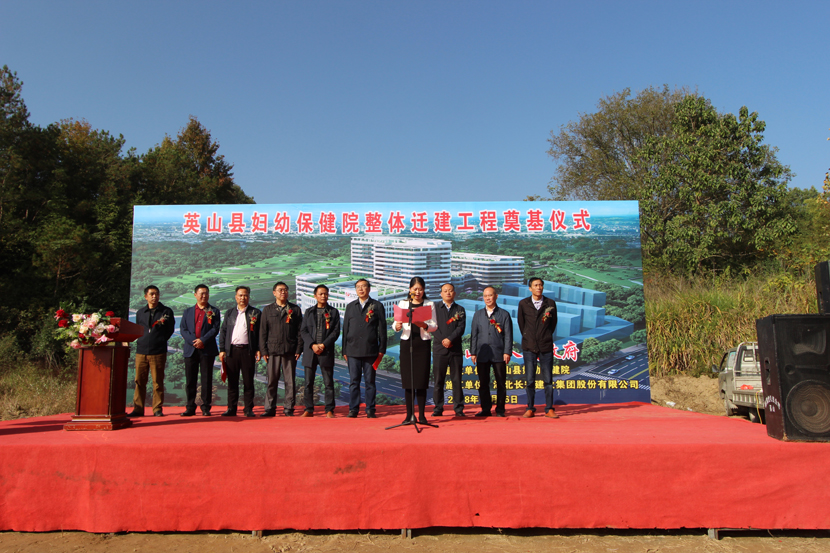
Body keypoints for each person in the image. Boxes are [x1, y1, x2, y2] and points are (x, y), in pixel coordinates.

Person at [393, 276, 438, 424]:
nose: (418, 292)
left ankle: (422, 416)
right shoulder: (403, 303)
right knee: (409, 381)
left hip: (422, 345)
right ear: (410, 289)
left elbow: (434, 326)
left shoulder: (429, 304)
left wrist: (424, 325)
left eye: (420, 289)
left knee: (421, 381)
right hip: (407, 344)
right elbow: (396, 323)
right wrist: (397, 326)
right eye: (415, 289)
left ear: (424, 290)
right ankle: (409, 415)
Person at [342, 279, 387, 418]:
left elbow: (382, 330)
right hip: (352, 350)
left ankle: (370, 409)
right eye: (358, 287)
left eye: (363, 286)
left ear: (369, 289)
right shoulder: (350, 306)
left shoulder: (377, 306)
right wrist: (344, 350)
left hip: (370, 350)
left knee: (370, 382)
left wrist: (382, 350)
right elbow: (345, 329)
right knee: (354, 382)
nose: (361, 289)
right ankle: (353, 409)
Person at [128, 285, 175, 417]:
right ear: (146, 296)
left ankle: (157, 409)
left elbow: (170, 329)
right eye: (152, 294)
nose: (154, 296)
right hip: (141, 351)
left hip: (158, 351)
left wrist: (160, 340)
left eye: (157, 294)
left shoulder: (166, 311)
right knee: (139, 381)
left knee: (157, 382)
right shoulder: (140, 312)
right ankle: (138, 409)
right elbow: (139, 329)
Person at [259, 282, 303, 417]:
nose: (283, 292)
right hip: (272, 351)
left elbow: (300, 331)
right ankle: (269, 408)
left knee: (290, 381)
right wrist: (263, 350)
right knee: (272, 381)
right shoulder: (268, 310)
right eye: (280, 290)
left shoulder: (295, 309)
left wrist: (299, 349)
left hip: (289, 350)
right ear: (274, 293)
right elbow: (263, 332)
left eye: (285, 290)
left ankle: (289, 408)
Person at [518, 277, 559, 419]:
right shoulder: (523, 304)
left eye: (540, 285)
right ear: (530, 288)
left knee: (548, 380)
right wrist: (529, 336)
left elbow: (553, 324)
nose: (538, 287)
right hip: (529, 346)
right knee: (530, 380)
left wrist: (544, 335)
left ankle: (549, 408)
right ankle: (530, 408)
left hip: (545, 346)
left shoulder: (550, 303)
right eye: (535, 285)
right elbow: (521, 324)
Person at [218, 286, 262, 417]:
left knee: (248, 381)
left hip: (248, 351)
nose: (243, 298)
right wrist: (222, 349)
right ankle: (231, 408)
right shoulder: (230, 313)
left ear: (249, 297)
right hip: (232, 351)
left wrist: (259, 349)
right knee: (232, 381)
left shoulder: (255, 313)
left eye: (245, 295)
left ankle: (248, 409)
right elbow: (223, 332)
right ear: (236, 297)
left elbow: (260, 333)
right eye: (240, 295)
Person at [470, 286, 513, 417]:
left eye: (490, 295)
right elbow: (474, 335)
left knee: (501, 382)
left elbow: (508, 335)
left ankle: (500, 409)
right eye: (485, 296)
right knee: (483, 383)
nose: (487, 298)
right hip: (482, 353)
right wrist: (473, 352)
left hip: (498, 353)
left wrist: (507, 352)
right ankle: (485, 409)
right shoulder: (478, 314)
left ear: (496, 296)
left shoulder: (504, 314)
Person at [180, 284, 221, 416]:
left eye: (206, 293)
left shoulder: (214, 311)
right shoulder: (187, 312)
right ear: (195, 295)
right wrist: (194, 341)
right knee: (190, 380)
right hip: (190, 349)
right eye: (201, 293)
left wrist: (202, 340)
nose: (204, 296)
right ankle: (190, 407)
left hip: (207, 349)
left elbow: (215, 329)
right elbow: (183, 329)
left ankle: (205, 407)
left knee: (206, 379)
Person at [300, 285, 341, 418]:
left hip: (326, 351)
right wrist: (312, 345)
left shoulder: (333, 312)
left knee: (328, 383)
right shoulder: (309, 312)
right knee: (308, 383)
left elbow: (335, 332)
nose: (323, 296)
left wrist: (323, 345)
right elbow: (303, 331)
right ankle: (309, 409)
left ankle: (329, 409)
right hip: (310, 351)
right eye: (321, 294)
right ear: (315, 296)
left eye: (326, 294)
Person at [431, 283, 466, 417]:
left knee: (456, 380)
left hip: (455, 350)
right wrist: (444, 340)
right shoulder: (434, 308)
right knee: (438, 381)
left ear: (454, 293)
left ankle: (458, 408)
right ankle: (438, 408)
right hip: (439, 349)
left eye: (450, 291)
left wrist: (450, 339)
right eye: (445, 291)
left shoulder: (460, 309)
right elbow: (432, 326)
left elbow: (461, 328)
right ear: (441, 293)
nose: (448, 293)